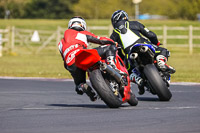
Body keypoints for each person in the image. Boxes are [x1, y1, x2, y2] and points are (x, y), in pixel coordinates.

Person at [110, 10, 176, 94]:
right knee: (163, 50)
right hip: (145, 45)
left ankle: (137, 79)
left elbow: (117, 52)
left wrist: (124, 61)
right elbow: (151, 35)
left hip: (129, 55)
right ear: (125, 17)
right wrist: (156, 43)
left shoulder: (113, 35)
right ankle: (161, 61)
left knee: (126, 70)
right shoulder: (135, 23)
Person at [58, 16, 118, 101]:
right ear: (82, 25)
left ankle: (82, 86)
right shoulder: (81, 33)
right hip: (82, 55)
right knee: (109, 47)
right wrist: (112, 42)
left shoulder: (60, 43)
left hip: (70, 64)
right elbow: (99, 40)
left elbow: (64, 60)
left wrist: (72, 71)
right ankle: (112, 64)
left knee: (79, 83)